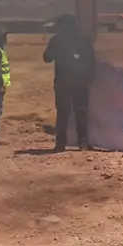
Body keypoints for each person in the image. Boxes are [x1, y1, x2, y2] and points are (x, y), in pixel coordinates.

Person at [44, 14, 96, 152]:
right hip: (81, 82)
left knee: (62, 113)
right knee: (81, 113)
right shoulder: (84, 39)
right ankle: (83, 143)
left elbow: (47, 58)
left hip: (62, 82)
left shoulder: (56, 40)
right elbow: (91, 60)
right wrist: (89, 78)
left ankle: (60, 144)